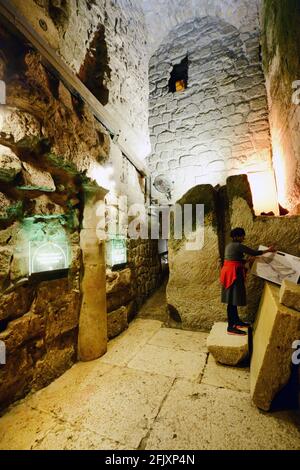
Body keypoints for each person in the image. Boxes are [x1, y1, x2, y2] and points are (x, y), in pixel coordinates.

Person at [220, 227, 275, 336]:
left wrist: (245, 260)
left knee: (232, 300)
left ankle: (236, 322)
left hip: (229, 272)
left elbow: (233, 259)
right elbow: (254, 252)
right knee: (232, 301)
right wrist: (268, 250)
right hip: (233, 274)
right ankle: (231, 327)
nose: (243, 237)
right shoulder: (238, 246)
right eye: (242, 235)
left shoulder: (230, 246)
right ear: (236, 236)